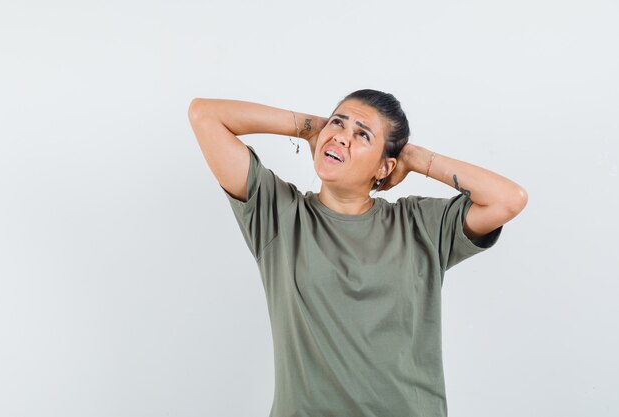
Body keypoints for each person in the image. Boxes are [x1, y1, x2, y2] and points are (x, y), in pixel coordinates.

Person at [187, 89, 527, 417]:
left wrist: (415, 158)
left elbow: (509, 199)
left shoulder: (420, 225)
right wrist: (311, 127)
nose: (341, 136)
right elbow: (205, 115)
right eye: (338, 122)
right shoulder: (279, 215)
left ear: (384, 167)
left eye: (363, 134)